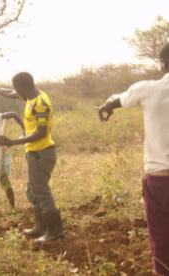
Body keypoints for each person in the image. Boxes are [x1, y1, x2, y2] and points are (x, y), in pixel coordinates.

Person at [96, 42, 169, 276]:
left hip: (161, 181)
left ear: (162, 64)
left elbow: (116, 99)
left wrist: (106, 106)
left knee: (161, 237)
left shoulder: (147, 89)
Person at [0, 72, 65, 244]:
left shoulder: (40, 104)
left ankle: (55, 232)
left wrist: (13, 141)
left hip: (41, 153)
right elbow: (9, 93)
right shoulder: (30, 97)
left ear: (21, 87)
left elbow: (42, 133)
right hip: (34, 153)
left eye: (15, 89)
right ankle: (40, 227)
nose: (14, 92)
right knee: (32, 191)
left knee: (41, 191)